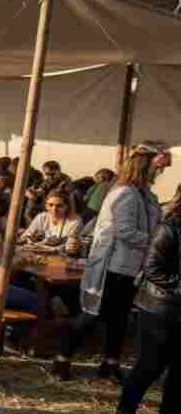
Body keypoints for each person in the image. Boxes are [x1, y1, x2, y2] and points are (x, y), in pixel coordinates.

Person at [52, 145, 165, 382]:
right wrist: (155, 240)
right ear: (145, 168)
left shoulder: (142, 194)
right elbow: (125, 231)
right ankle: (62, 358)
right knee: (92, 314)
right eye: (157, 168)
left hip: (130, 266)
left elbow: (148, 222)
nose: (159, 173)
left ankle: (110, 363)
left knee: (119, 317)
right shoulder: (125, 194)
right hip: (114, 265)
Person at [114, 185, 181, 414]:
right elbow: (152, 268)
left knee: (180, 371)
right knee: (150, 366)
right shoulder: (170, 228)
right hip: (159, 308)